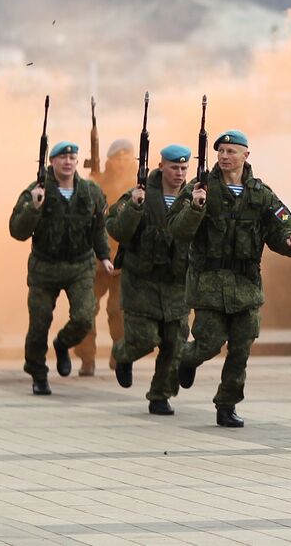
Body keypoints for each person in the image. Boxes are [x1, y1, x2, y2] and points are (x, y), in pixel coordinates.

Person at [170, 130, 291, 427]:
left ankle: (226, 404)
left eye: (231, 151)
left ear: (246, 155)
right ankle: (186, 359)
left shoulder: (260, 193)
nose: (224, 156)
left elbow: (281, 225)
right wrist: (196, 207)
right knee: (209, 343)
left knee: (241, 349)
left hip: (245, 286)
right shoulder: (199, 188)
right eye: (221, 151)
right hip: (209, 284)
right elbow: (177, 231)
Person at [8, 141, 111, 396]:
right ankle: (38, 374)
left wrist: (105, 256)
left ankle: (63, 343)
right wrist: (34, 207)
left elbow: (99, 227)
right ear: (51, 162)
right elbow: (17, 231)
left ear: (77, 162)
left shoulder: (91, 192)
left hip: (80, 266)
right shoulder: (37, 191)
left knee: (85, 318)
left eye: (72, 158)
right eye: (61, 158)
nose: (67, 162)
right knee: (39, 323)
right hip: (45, 267)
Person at [108, 144, 192, 415]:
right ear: (161, 167)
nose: (179, 173)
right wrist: (134, 206)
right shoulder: (140, 194)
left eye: (183, 168)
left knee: (174, 342)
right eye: (174, 167)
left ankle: (160, 395)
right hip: (141, 282)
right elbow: (117, 229)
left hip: (177, 284)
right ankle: (123, 354)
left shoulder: (194, 197)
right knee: (144, 339)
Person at [77, 137, 135, 375]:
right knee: (85, 309)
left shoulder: (139, 185)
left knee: (119, 311)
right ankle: (87, 358)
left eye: (126, 158)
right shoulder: (95, 183)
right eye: (117, 158)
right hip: (96, 258)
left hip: (125, 258)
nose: (121, 163)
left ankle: (118, 355)